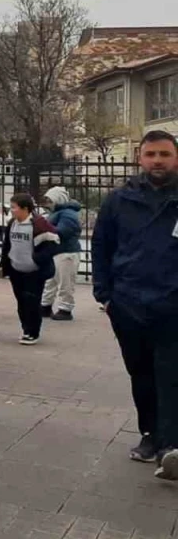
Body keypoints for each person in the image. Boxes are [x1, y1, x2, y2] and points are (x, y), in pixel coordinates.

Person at [92, 130, 178, 477]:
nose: (157, 161)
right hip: (128, 305)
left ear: (176, 158)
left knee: (170, 373)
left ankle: (170, 445)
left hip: (173, 306)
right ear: (139, 158)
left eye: (165, 154)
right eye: (151, 154)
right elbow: (101, 246)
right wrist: (105, 295)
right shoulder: (119, 200)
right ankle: (150, 435)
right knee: (140, 373)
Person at [1, 192, 60, 345]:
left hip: (34, 272)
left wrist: (36, 259)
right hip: (16, 270)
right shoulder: (12, 223)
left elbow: (54, 243)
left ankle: (33, 332)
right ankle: (26, 329)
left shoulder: (39, 224)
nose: (11, 210)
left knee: (32, 302)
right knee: (21, 302)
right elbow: (7, 246)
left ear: (25, 209)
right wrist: (4, 266)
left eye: (14, 207)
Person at [40, 186, 82, 321]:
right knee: (51, 281)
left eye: (50, 200)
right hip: (58, 251)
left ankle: (65, 309)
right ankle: (45, 306)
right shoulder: (58, 212)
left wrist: (45, 228)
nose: (48, 203)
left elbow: (63, 231)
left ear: (58, 199)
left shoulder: (67, 214)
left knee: (65, 282)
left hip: (66, 252)